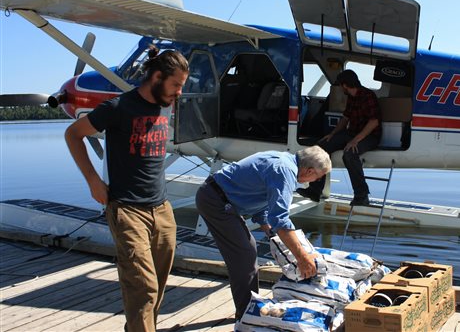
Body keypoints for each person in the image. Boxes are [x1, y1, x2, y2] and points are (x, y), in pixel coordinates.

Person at [65, 46, 189, 332]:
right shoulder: (118, 107)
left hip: (162, 209)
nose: (179, 93)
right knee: (142, 286)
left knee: (155, 284)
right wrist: (93, 181)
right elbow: (73, 134)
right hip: (127, 210)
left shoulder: (165, 104)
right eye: (176, 85)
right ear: (157, 77)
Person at [195, 146, 332, 319]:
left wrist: (273, 236)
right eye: (316, 178)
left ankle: (250, 307)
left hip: (221, 197)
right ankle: (247, 313)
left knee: (247, 250)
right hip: (215, 200)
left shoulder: (283, 160)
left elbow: (262, 203)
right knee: (245, 254)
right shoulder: (284, 171)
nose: (313, 182)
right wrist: (303, 258)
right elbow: (280, 219)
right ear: (309, 170)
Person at [297, 69, 381, 206]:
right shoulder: (351, 98)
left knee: (349, 154)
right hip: (352, 133)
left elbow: (374, 122)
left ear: (345, 85)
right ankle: (315, 189)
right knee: (320, 147)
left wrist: (356, 140)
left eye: (341, 85)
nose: (341, 88)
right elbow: (345, 118)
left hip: (370, 136)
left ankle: (362, 195)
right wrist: (333, 134)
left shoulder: (368, 96)